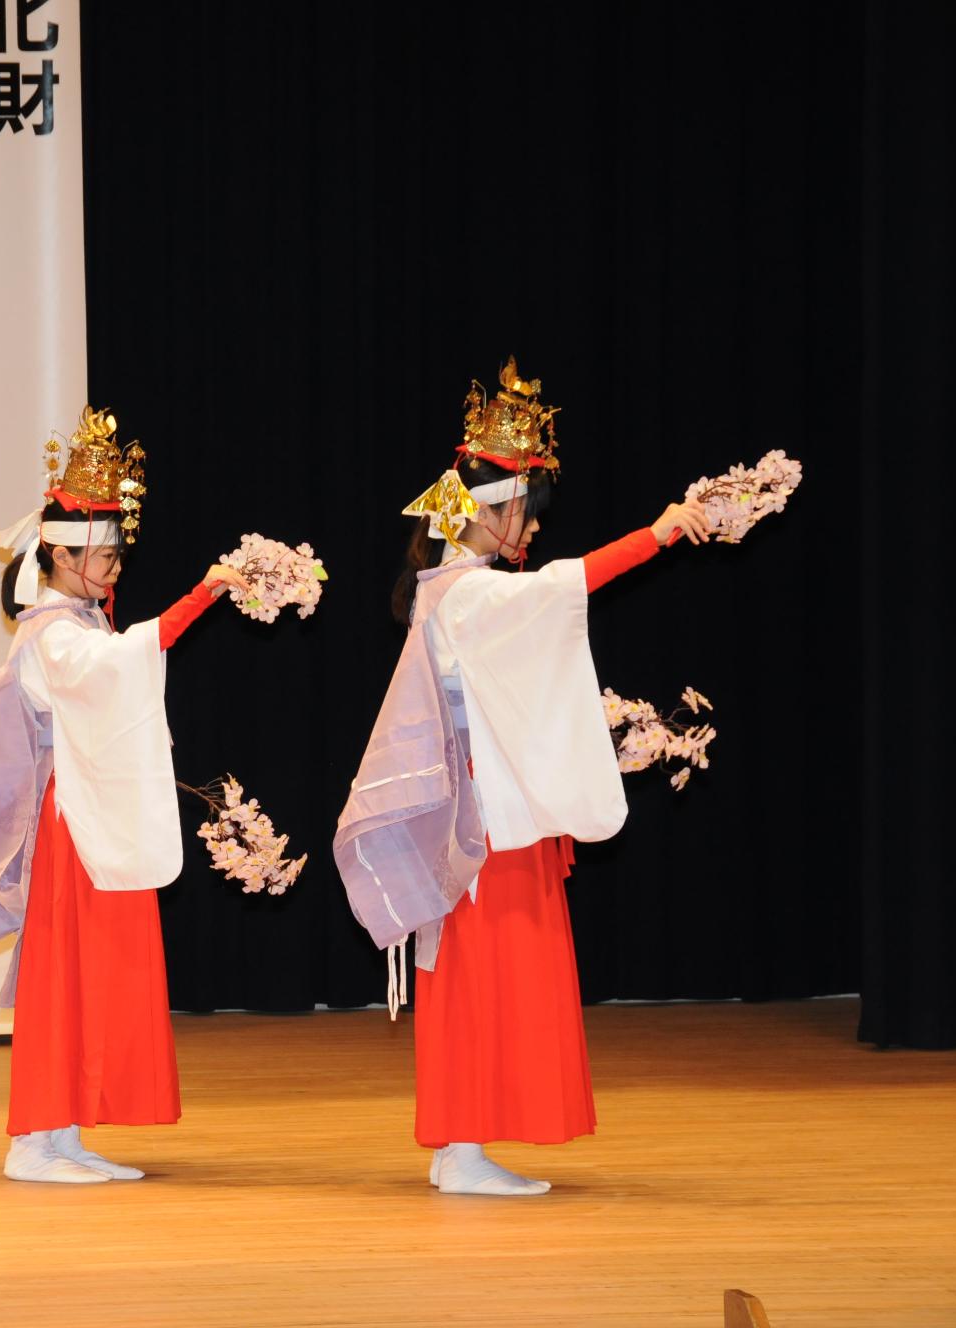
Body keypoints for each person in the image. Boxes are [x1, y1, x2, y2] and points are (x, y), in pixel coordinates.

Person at [334, 359, 708, 1196]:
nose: (531, 531)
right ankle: (461, 1146)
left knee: (491, 974)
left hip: (499, 808)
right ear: (485, 515)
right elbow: (556, 593)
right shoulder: (465, 596)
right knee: (478, 975)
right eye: (521, 514)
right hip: (482, 817)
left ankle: (465, 1145)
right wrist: (657, 534)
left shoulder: (465, 593)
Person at [0, 406, 249, 1184]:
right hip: (71, 824)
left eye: (120, 555)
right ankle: (33, 1138)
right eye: (105, 557)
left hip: (91, 814)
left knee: (95, 974)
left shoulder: (75, 623)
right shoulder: (52, 634)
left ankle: (67, 1128)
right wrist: (200, 596)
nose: (117, 569)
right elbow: (119, 664)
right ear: (58, 557)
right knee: (66, 975)